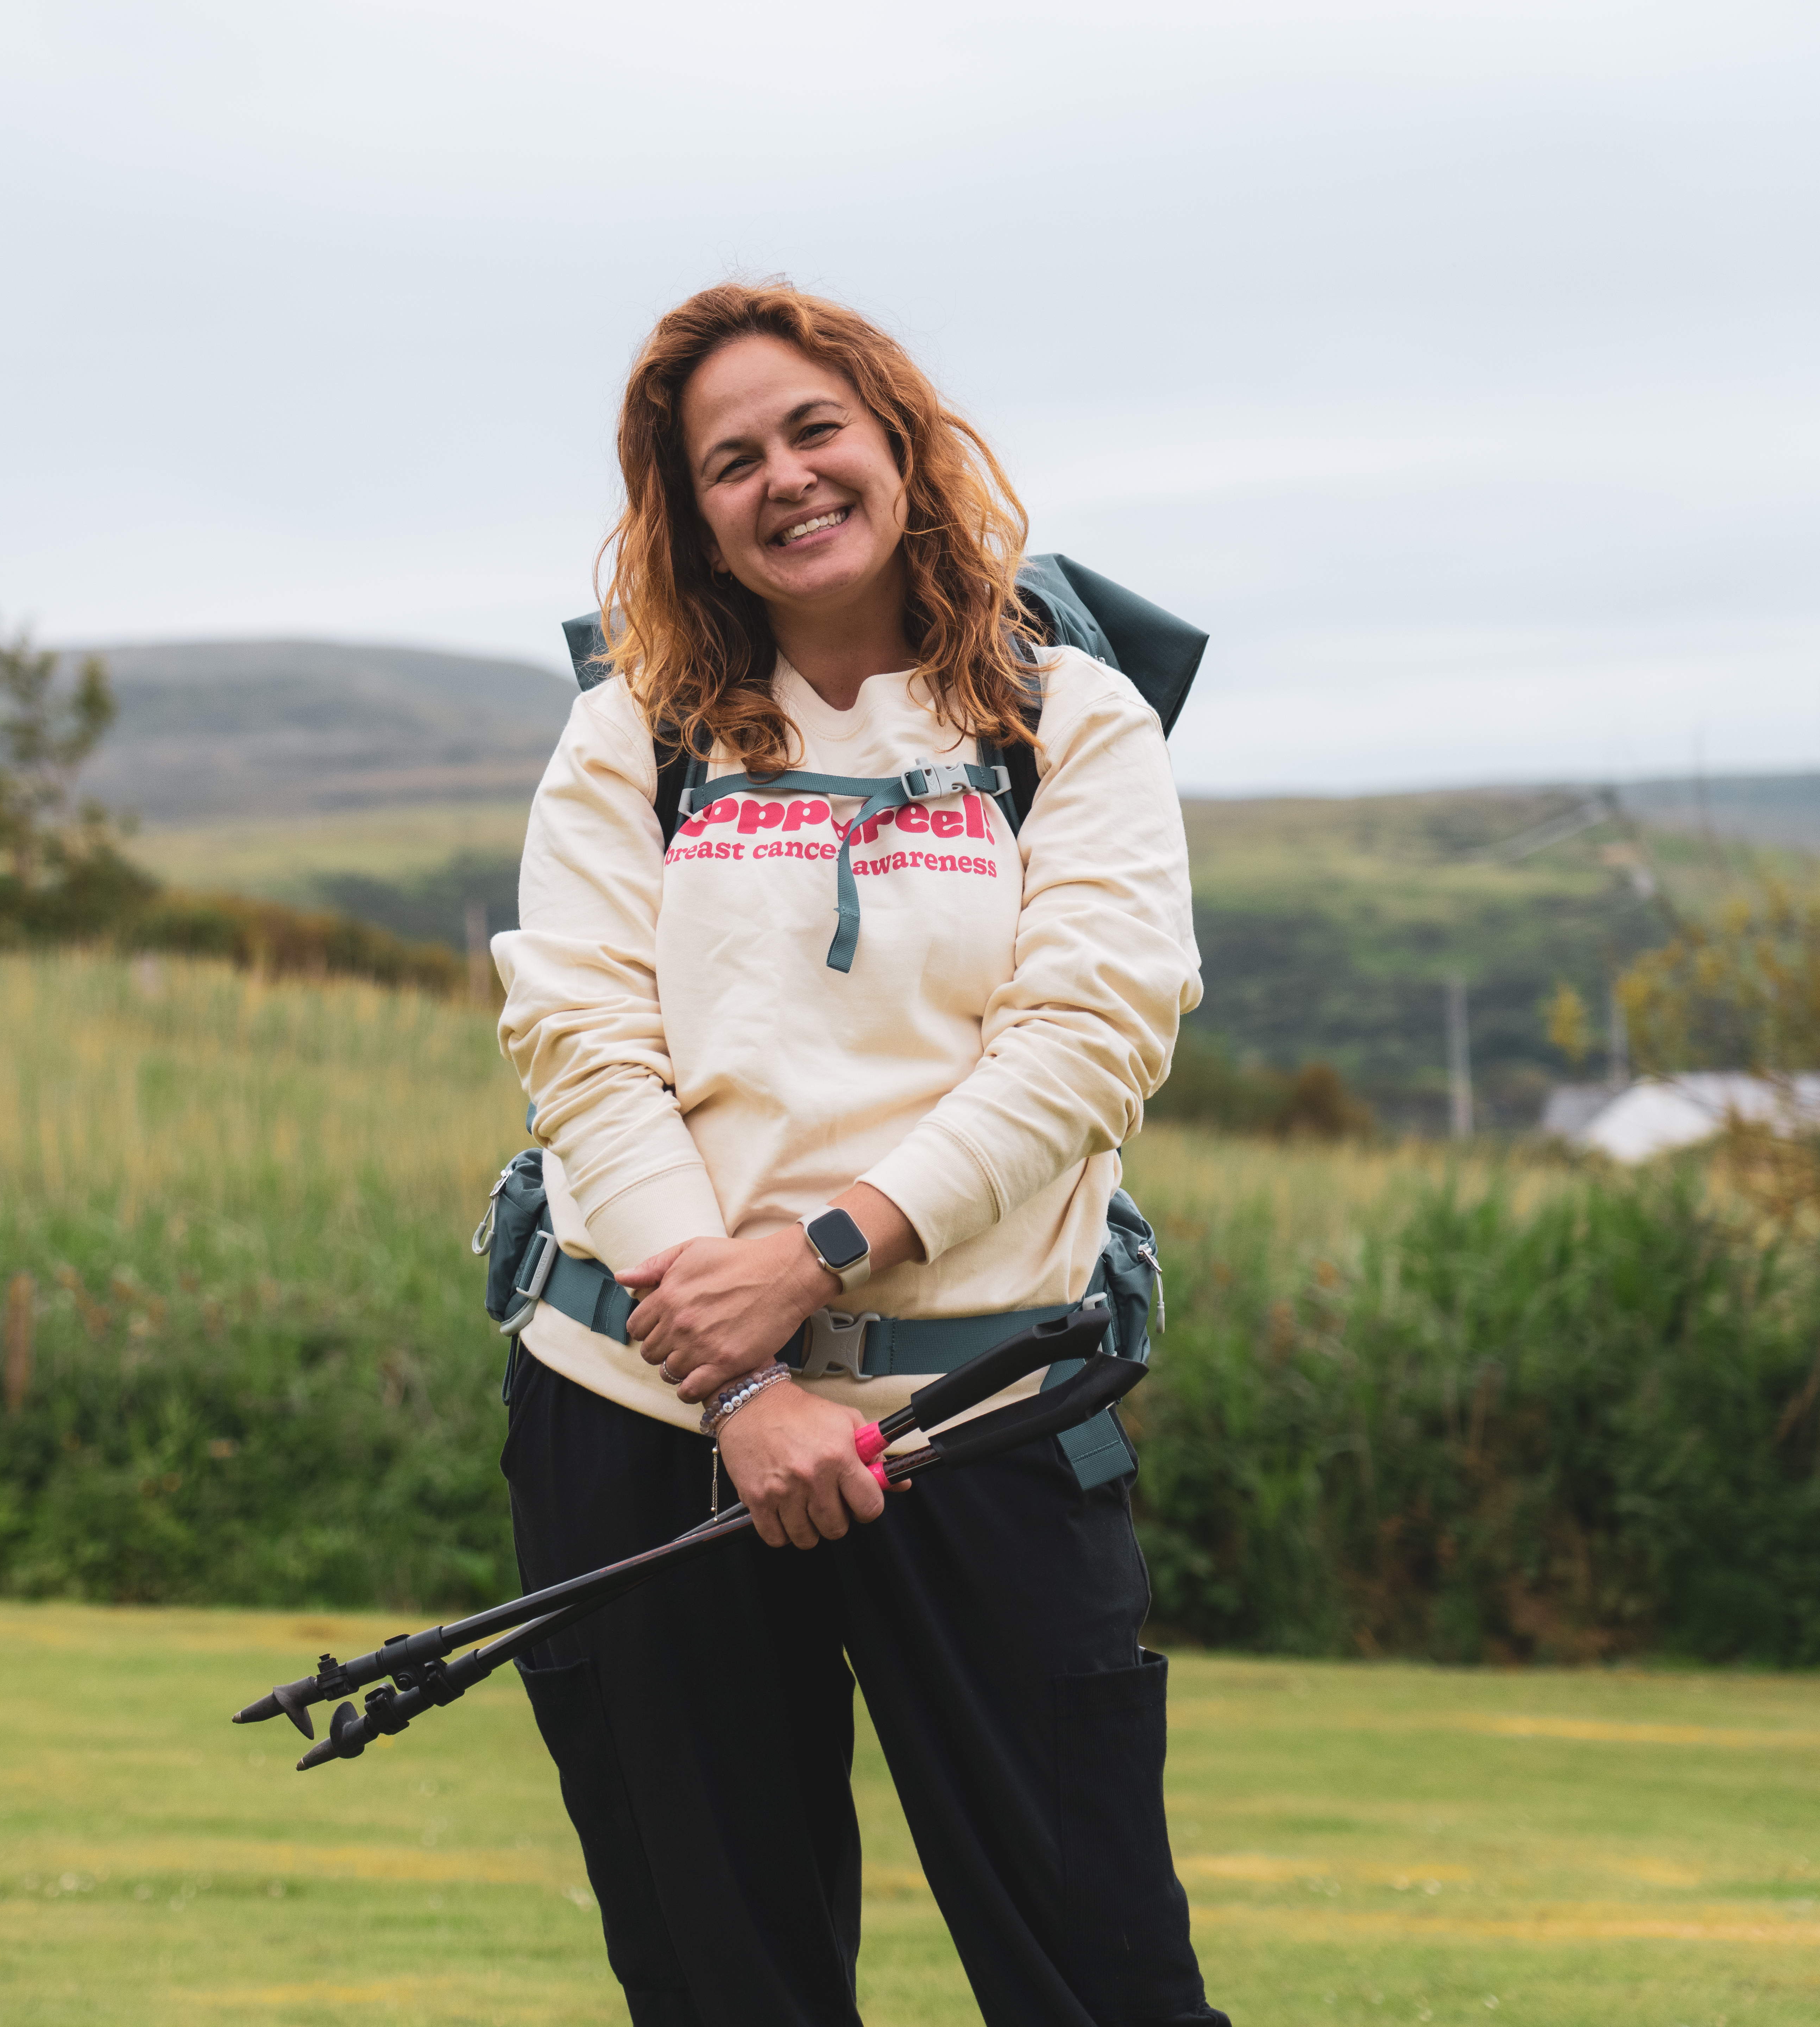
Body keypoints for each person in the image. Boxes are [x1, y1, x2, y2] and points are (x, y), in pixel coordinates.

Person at [492, 281, 1226, 2027]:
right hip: (647, 1408)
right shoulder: (632, 734)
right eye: (730, 459)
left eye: (815, 428)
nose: (786, 477)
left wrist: (813, 1258)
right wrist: (740, 1387)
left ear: (899, 442)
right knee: (722, 1983)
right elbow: (583, 1052)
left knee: (1103, 1980)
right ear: (691, 516)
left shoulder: (1073, 722)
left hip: (977, 1415)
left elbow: (1086, 1047)